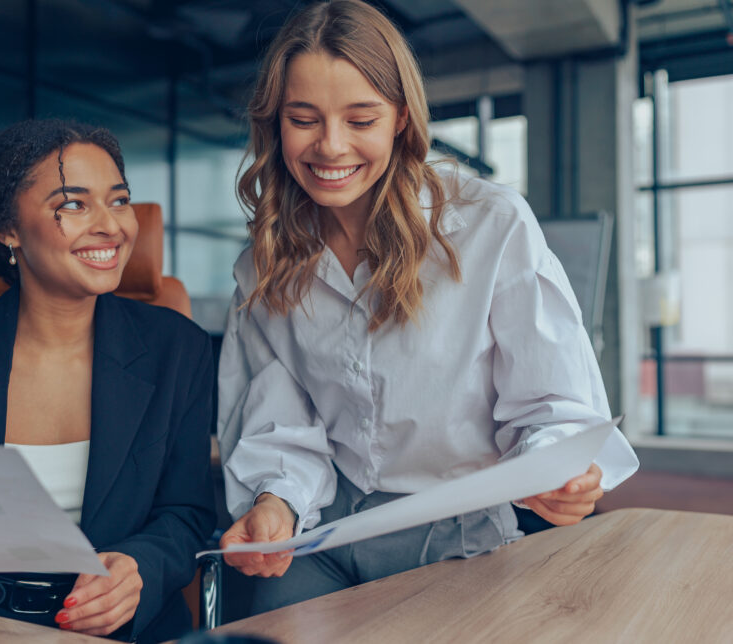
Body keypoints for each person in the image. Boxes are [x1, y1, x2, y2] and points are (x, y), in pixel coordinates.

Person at [217, 0, 638, 614]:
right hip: (320, 536)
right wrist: (274, 504)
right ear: (274, 124)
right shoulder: (266, 258)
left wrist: (555, 471)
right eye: (303, 119)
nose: (330, 147)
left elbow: (553, 405)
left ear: (401, 119)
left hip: (456, 535)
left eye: (361, 119)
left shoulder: (489, 223)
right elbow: (281, 423)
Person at [0, 119, 216, 642]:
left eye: (119, 201)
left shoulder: (177, 349)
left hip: (119, 633)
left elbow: (186, 512)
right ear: (7, 229)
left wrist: (139, 567)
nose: (111, 225)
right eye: (74, 204)